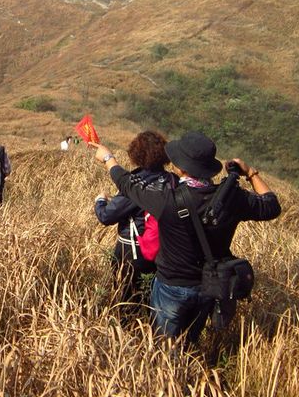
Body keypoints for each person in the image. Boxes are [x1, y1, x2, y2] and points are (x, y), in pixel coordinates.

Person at [91, 130, 280, 346]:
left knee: (163, 347)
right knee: (189, 344)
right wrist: (251, 173)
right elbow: (271, 206)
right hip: (209, 286)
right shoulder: (232, 198)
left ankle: (165, 374)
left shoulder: (166, 200)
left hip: (170, 286)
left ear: (180, 168)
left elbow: (127, 184)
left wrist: (108, 159)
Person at [94, 130, 176, 310]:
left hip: (133, 251)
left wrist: (100, 201)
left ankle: (129, 333)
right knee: (154, 302)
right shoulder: (173, 181)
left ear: (135, 155)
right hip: (167, 251)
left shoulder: (136, 184)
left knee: (127, 301)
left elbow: (106, 216)